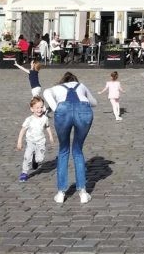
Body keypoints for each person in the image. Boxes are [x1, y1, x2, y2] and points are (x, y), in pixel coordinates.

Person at [43, 71, 97, 204]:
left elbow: (45, 92)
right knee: (78, 150)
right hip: (84, 111)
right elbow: (94, 102)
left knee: (63, 150)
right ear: (75, 80)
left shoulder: (57, 88)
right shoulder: (81, 85)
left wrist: (56, 108)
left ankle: (61, 193)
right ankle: (83, 193)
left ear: (63, 81)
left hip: (63, 111)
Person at [16, 96, 54, 182]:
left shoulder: (45, 118)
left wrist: (50, 136)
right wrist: (19, 141)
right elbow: (22, 130)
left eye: (41, 107)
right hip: (31, 141)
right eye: (37, 108)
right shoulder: (29, 120)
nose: (39, 110)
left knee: (40, 159)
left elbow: (47, 127)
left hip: (41, 142)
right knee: (26, 156)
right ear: (32, 109)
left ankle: (35, 159)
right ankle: (24, 173)